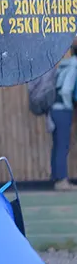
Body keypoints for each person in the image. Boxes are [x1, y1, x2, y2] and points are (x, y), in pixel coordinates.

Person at [50, 46, 77, 191]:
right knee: (62, 145)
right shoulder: (74, 66)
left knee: (57, 145)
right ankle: (62, 181)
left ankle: (57, 178)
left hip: (54, 109)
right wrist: (69, 105)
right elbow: (66, 90)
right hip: (63, 110)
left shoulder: (65, 64)